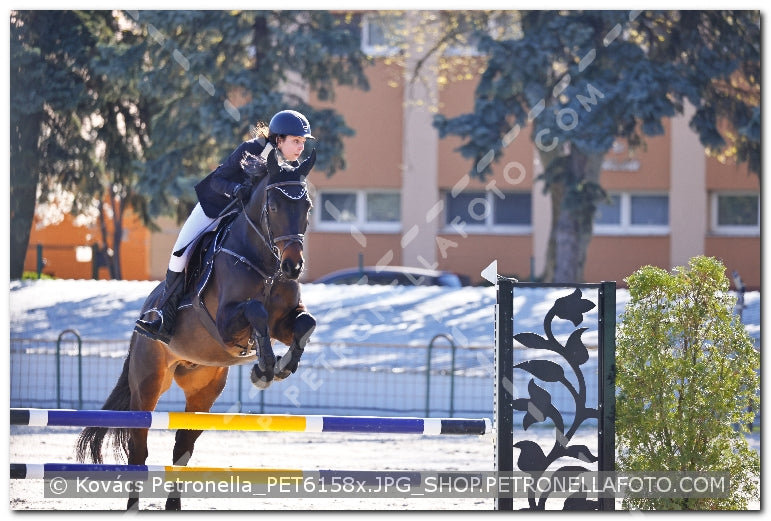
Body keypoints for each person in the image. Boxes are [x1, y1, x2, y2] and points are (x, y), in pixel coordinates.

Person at [136, 109, 315, 343]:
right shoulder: (252, 149)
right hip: (215, 209)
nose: (301, 147)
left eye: (302, 142)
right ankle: (163, 317)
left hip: (245, 221)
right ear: (278, 139)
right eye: (296, 141)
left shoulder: (291, 166)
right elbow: (218, 179)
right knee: (180, 254)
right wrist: (236, 190)